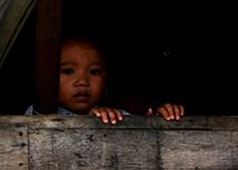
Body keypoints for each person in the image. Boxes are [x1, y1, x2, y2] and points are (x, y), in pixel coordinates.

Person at [28, 35, 185, 125]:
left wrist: (159, 119)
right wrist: (90, 121)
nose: (82, 81)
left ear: (106, 84)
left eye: (94, 72)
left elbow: (143, 137)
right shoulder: (40, 112)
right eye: (68, 71)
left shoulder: (117, 116)